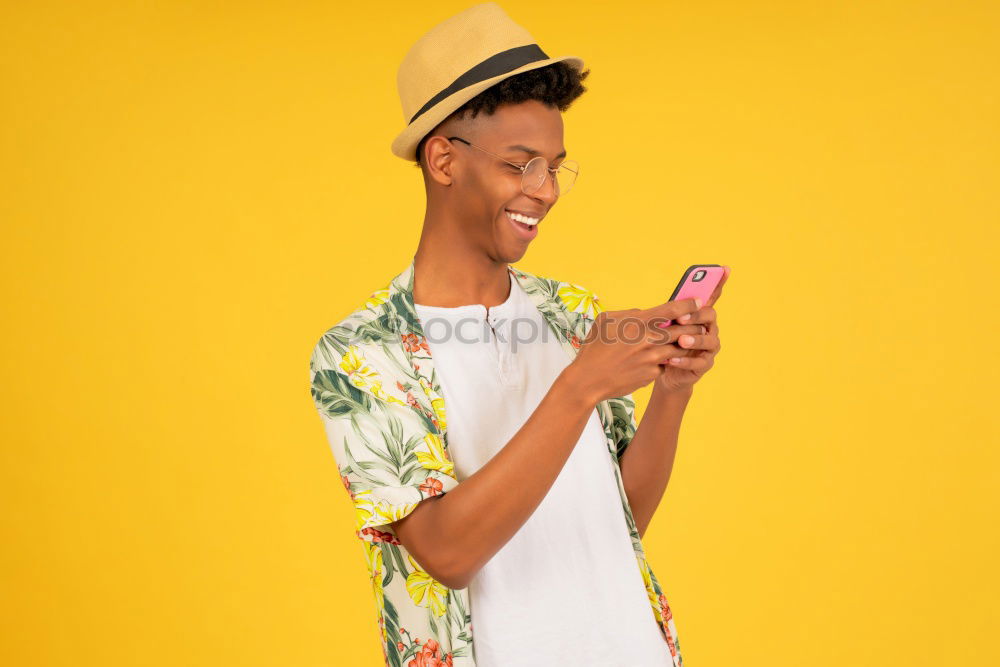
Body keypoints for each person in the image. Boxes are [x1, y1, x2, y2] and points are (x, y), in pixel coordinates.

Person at [308, 3, 727, 665]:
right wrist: (580, 385)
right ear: (444, 159)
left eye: (555, 166)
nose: (547, 190)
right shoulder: (362, 354)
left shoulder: (570, 312)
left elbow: (620, 524)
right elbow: (447, 552)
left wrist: (672, 391)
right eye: (521, 163)